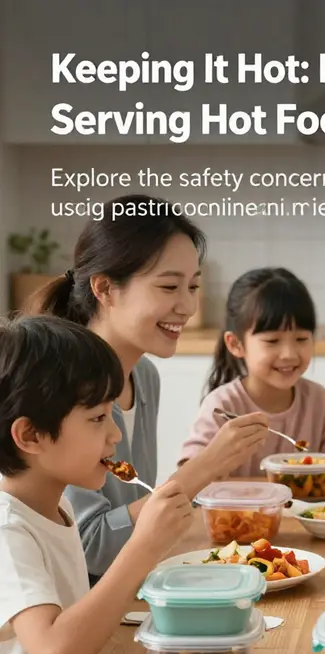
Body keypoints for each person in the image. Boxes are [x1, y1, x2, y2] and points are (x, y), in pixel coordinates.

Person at [27, 196, 271, 581]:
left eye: (192, 286)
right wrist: (204, 467)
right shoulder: (65, 388)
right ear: (105, 288)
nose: (187, 306)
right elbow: (91, 547)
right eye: (169, 286)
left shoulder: (144, 376)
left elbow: (138, 516)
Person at [0, 315, 194, 654]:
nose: (115, 435)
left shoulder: (53, 506)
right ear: (30, 435)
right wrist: (142, 548)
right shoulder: (8, 530)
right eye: (98, 418)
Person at [179, 268, 325, 475]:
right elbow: (187, 474)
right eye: (272, 341)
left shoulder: (319, 402)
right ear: (236, 345)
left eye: (301, 339)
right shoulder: (223, 406)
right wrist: (216, 458)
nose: (289, 354)